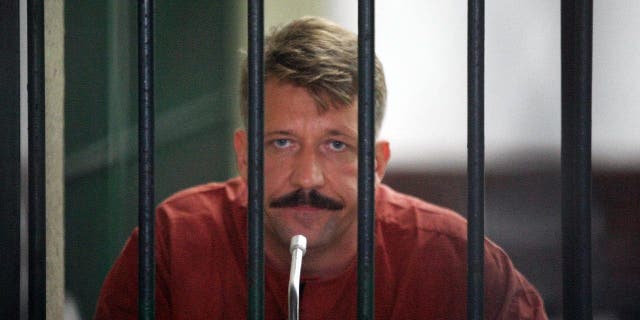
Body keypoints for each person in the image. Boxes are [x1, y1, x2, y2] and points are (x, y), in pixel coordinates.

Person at [95, 16, 547, 319]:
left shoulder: (455, 263)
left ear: (376, 163)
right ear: (244, 156)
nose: (307, 178)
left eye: (336, 144)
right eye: (282, 143)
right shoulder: (172, 246)